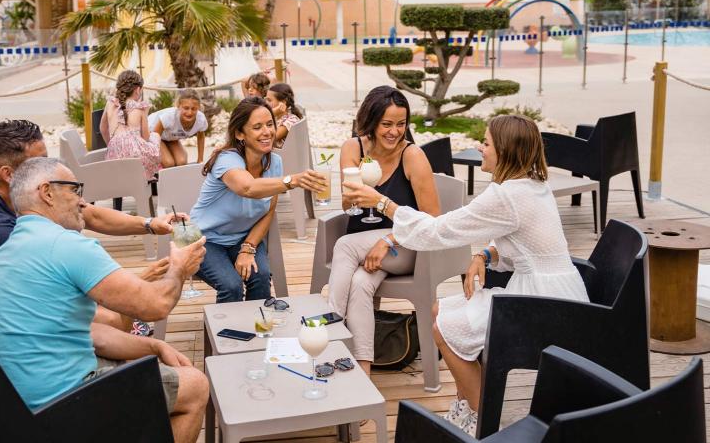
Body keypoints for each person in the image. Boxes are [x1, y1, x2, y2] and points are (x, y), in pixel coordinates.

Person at [343, 114, 589, 437]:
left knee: (447, 325)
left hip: (543, 306)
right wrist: (484, 254)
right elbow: (526, 247)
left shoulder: (506, 196)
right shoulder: (531, 185)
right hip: (559, 293)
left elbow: (437, 231)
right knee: (439, 311)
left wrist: (384, 203)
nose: (480, 148)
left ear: (505, 151)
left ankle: (483, 422)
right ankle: (468, 405)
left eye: (486, 143)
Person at [0, 157, 209, 443]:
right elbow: (155, 305)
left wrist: (153, 344)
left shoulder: (6, 251)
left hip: (11, 405)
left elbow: (88, 332)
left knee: (134, 360)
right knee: (196, 386)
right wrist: (179, 268)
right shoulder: (67, 246)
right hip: (61, 405)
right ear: (47, 192)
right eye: (75, 189)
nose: (82, 200)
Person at [0, 119, 174, 334]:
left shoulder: (25, 192)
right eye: (38, 163)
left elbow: (90, 214)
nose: (50, 167)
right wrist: (136, 288)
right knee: (116, 322)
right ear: (8, 174)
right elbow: (57, 288)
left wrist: (150, 224)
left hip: (28, 299)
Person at [327, 86, 440, 377]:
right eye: (386, 124)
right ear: (372, 121)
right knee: (361, 284)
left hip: (405, 248)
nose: (394, 132)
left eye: (401, 124)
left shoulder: (412, 155)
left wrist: (388, 238)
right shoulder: (354, 148)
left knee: (343, 246)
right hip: (367, 247)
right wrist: (355, 188)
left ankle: (329, 329)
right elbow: (346, 204)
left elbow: (432, 218)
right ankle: (363, 373)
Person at [190, 97, 327, 303]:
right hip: (204, 239)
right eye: (257, 127)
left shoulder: (275, 162)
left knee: (260, 277)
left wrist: (248, 247)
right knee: (231, 285)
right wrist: (293, 180)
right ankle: (226, 334)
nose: (267, 132)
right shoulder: (227, 160)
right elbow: (248, 187)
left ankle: (260, 330)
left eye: (270, 124)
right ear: (240, 133)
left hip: (242, 238)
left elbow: (268, 211)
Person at [100, 70, 162, 180]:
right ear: (138, 90)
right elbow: (146, 138)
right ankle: (149, 174)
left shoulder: (110, 103)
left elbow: (103, 128)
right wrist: (146, 113)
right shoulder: (140, 108)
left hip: (114, 156)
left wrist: (111, 145)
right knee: (155, 136)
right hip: (136, 158)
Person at [148, 89, 208, 167]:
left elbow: (200, 137)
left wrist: (200, 159)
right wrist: (155, 158)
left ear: (199, 107)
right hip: (152, 133)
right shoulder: (169, 116)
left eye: (194, 109)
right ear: (178, 106)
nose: (189, 112)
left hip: (170, 137)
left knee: (181, 162)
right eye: (186, 108)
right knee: (169, 163)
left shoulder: (201, 119)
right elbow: (155, 137)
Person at [264, 83, 303, 149]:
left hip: (280, 156)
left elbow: (269, 138)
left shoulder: (291, 120)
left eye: (269, 100)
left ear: (283, 102)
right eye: (266, 99)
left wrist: (272, 113)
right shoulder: (276, 117)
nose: (266, 103)